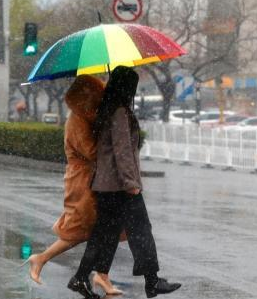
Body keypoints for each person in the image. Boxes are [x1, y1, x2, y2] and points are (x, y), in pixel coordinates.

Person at [67, 66, 181, 299]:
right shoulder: (119, 111)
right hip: (120, 186)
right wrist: (131, 183)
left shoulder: (108, 109)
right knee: (140, 230)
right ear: (127, 88)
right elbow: (122, 152)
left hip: (107, 186)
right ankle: (152, 281)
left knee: (104, 235)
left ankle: (80, 277)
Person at [22, 75, 123, 295]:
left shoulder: (88, 117)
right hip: (83, 181)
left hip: (97, 178)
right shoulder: (77, 120)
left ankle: (102, 276)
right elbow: (92, 151)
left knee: (108, 227)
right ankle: (41, 258)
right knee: (81, 229)